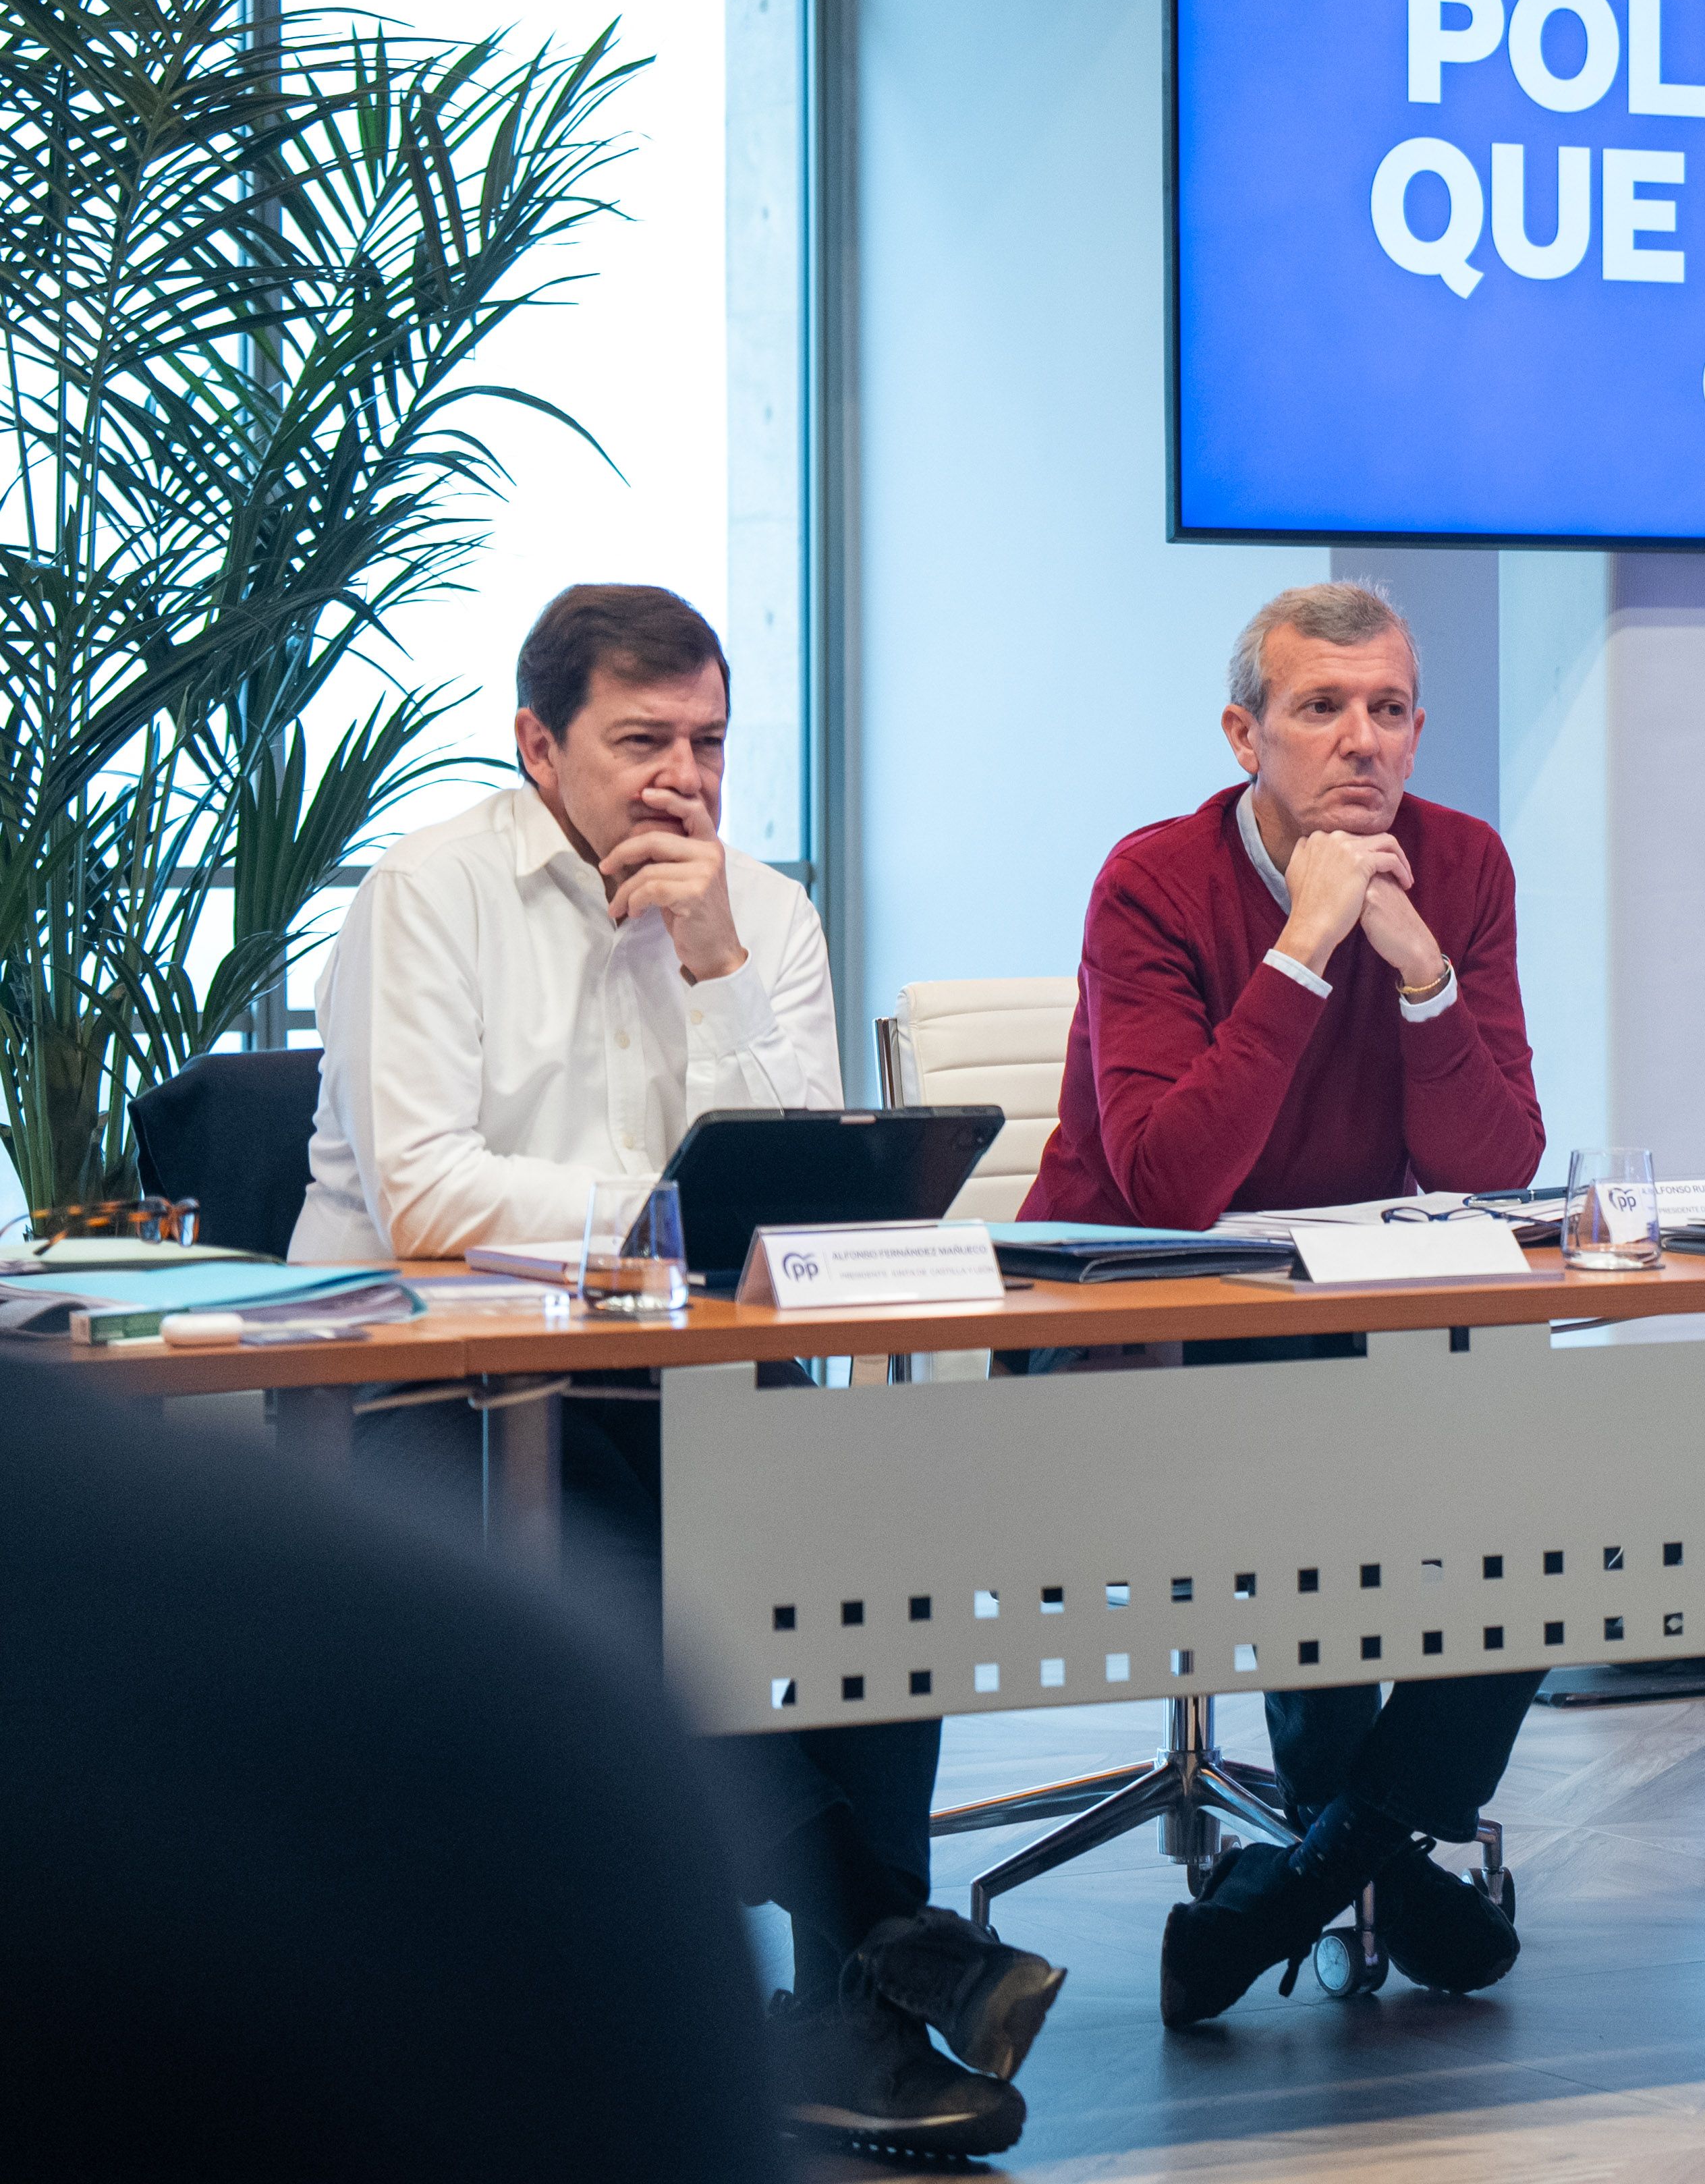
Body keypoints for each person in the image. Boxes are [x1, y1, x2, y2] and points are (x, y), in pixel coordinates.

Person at [294, 584, 1062, 2159]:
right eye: (640, 739)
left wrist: (714, 965)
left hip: (691, 1371)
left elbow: (818, 1177)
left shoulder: (760, 911)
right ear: (538, 744)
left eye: (706, 740)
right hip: (443, 1378)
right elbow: (431, 1192)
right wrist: (664, 1221)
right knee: (631, 1578)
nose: (681, 777)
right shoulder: (425, 894)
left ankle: (852, 1999)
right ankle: (896, 1953)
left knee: (880, 1546)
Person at [1024, 581, 1549, 2020]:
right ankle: (1366, 1857)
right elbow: (1173, 1181)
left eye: (1389, 711)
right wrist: (1304, 947)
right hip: (1133, 1343)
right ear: (1245, 733)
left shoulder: (1465, 867)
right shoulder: (1151, 880)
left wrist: (1425, 975)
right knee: (1325, 1478)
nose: (1361, 743)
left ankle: (1315, 1869)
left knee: (1555, 1520)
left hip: (1341, 1334)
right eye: (1322, 709)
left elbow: (1499, 1160)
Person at [1, 1359, 785, 2183]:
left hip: (652, 1368)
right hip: (441, 1381)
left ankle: (872, 1961)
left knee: (859, 1500)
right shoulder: (506, 1694)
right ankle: (874, 1933)